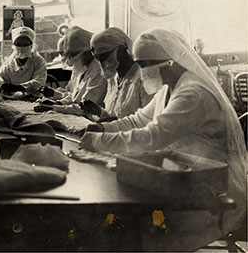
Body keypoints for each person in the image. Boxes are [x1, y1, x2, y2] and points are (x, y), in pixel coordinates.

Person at [79, 28, 247, 251]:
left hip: (214, 191)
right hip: (186, 178)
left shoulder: (194, 94)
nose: (143, 70)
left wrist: (98, 142)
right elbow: (138, 120)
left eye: (146, 64)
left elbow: (152, 137)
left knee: (130, 226)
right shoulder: (168, 89)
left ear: (171, 62)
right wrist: (101, 128)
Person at [86, 27, 152, 120]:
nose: (102, 65)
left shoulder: (144, 79)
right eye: (98, 59)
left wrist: (114, 124)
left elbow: (149, 123)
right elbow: (113, 114)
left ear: (120, 51)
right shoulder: (113, 79)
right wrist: (100, 112)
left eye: (104, 58)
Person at [0, 26, 47, 95]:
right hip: (11, 98)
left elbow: (39, 81)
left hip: (33, 97)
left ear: (31, 45)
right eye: (18, 44)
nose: (22, 47)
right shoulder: (8, 63)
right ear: (14, 45)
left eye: (25, 44)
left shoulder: (38, 61)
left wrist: (19, 87)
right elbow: (1, 79)